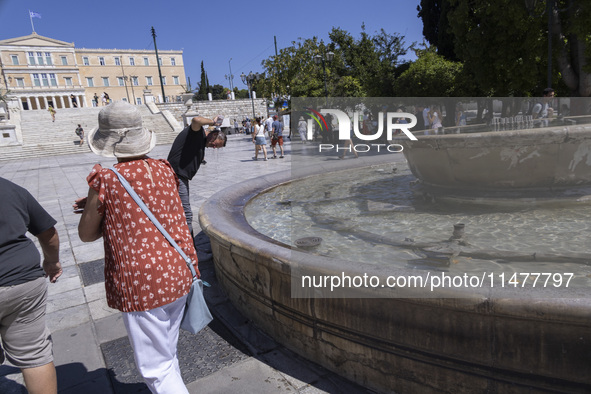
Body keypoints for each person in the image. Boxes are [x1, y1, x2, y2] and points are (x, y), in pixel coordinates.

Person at [76, 101, 198, 393]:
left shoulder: (106, 179)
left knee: (155, 369)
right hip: (178, 271)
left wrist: (94, 205)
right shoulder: (164, 169)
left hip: (143, 284)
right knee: (167, 356)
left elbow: (86, 234)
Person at [0, 177, 62, 394]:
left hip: (18, 280)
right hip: (23, 281)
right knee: (35, 354)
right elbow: (48, 233)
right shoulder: (10, 189)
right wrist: (52, 262)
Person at [167, 114, 226, 237]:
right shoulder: (197, 133)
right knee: (187, 214)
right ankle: (191, 249)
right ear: (214, 135)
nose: (213, 147)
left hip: (179, 176)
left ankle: (184, 245)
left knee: (179, 211)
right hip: (176, 174)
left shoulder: (200, 139)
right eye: (215, 144)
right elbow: (196, 120)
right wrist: (213, 123)